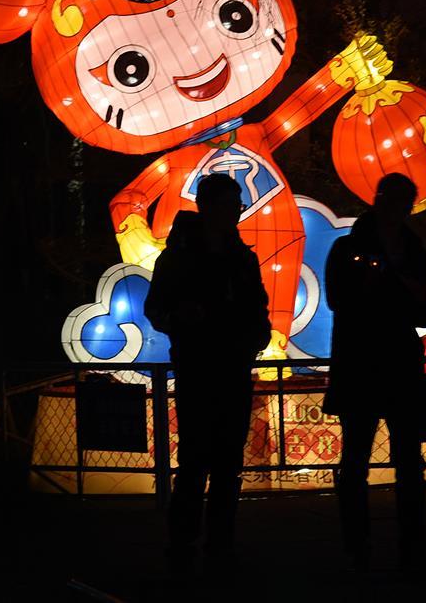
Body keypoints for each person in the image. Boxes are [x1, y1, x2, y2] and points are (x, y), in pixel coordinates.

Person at [144, 173, 272, 573]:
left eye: (236, 204)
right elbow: (156, 307)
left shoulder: (239, 257)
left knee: (224, 462)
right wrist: (180, 317)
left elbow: (257, 307)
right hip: (201, 367)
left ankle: (213, 543)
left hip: (228, 366)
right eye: (230, 203)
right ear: (209, 206)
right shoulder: (184, 256)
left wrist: (256, 335)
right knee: (200, 459)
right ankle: (191, 543)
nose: (236, 211)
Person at [322, 173, 426, 572]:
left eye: (405, 200)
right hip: (365, 362)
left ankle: (408, 548)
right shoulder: (350, 248)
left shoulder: (411, 250)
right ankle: (362, 547)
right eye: (394, 199)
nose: (398, 207)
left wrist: (410, 291)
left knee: (401, 459)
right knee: (360, 460)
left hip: (390, 363)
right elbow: (338, 299)